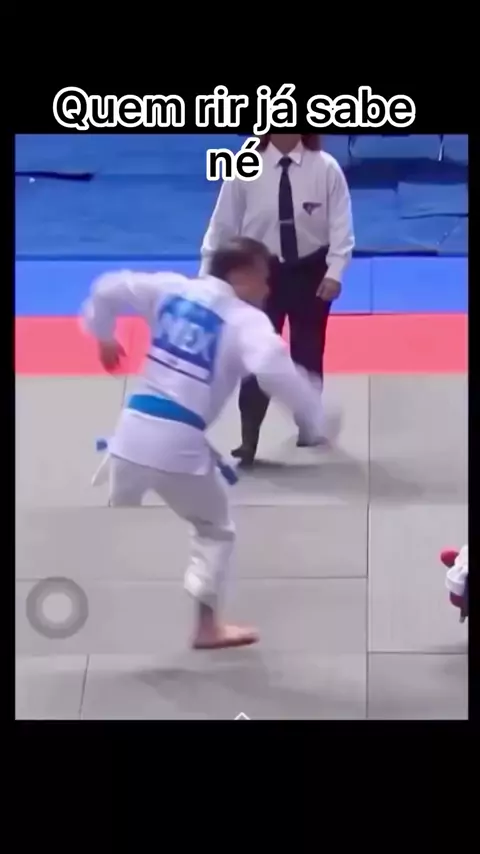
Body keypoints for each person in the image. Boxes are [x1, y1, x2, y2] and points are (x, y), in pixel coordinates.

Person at [81, 237, 341, 650]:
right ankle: (207, 628)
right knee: (215, 529)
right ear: (240, 275)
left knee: (124, 503)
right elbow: (274, 370)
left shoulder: (171, 288)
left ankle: (117, 502)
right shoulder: (244, 320)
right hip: (178, 445)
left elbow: (107, 287)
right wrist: (317, 419)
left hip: (129, 435)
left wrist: (104, 336)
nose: (268, 288)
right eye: (263, 277)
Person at [200, 133, 354, 466]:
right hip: (260, 274)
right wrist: (208, 274)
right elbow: (222, 224)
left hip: (310, 272)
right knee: (256, 355)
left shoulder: (325, 168)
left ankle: (309, 425)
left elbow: (341, 225)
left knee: (308, 350)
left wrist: (335, 271)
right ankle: (249, 438)